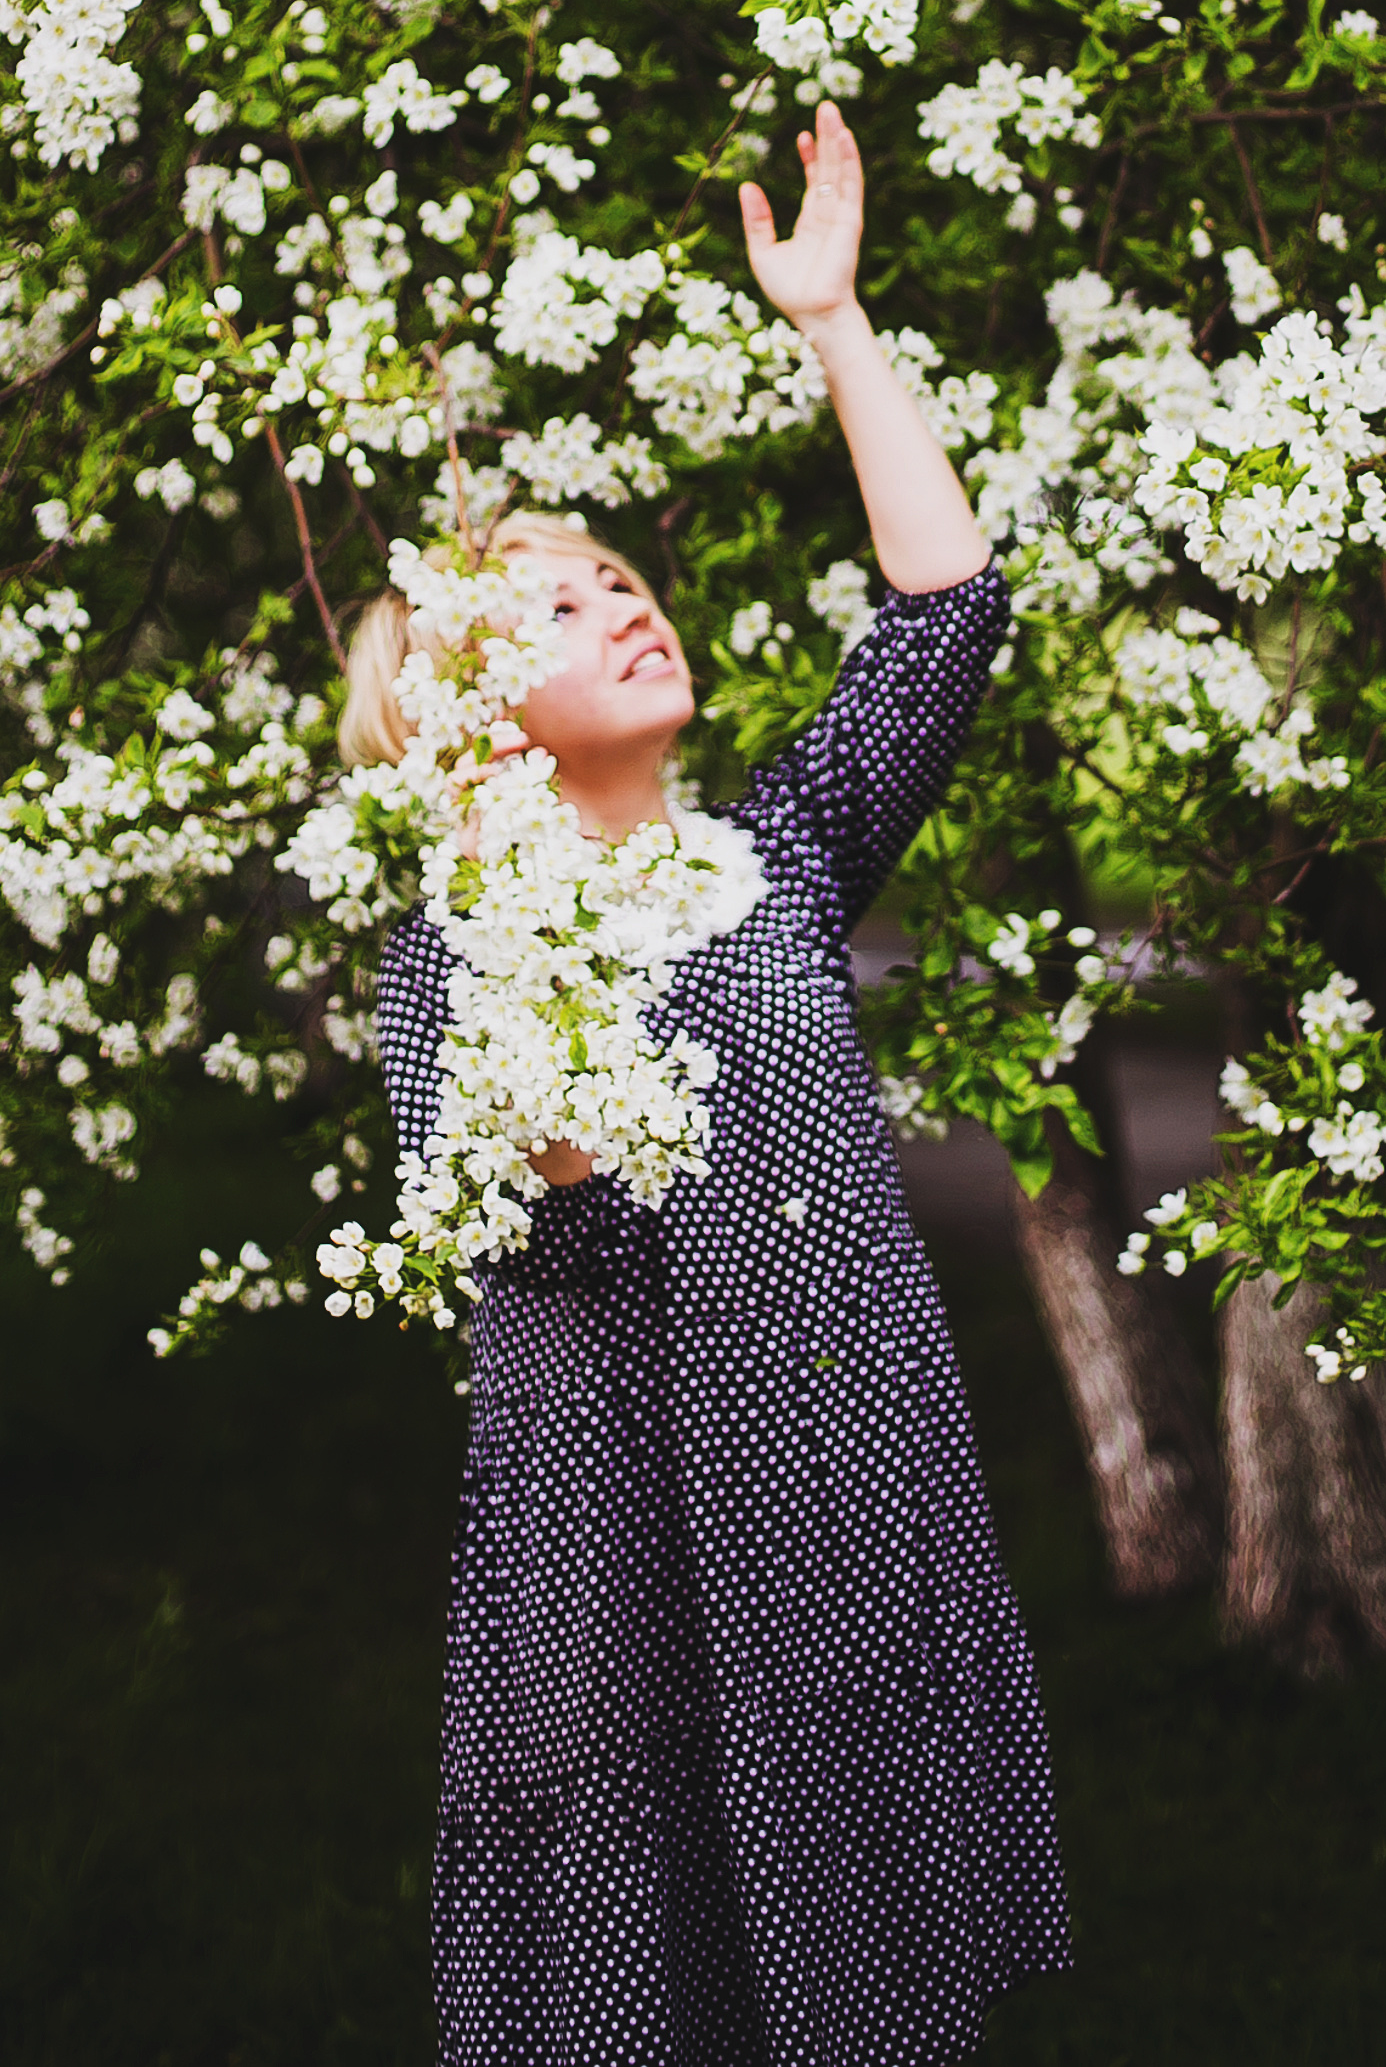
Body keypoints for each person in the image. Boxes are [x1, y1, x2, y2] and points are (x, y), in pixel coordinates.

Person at [352, 103, 1072, 2067]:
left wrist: (833, 322)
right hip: (623, 1536)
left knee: (873, 1985)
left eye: (620, 579)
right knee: (658, 1988)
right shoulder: (447, 957)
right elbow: (539, 1238)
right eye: (561, 607)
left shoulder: (781, 856)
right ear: (471, 720)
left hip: (835, 1487)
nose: (626, 605)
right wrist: (540, 991)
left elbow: (944, 618)